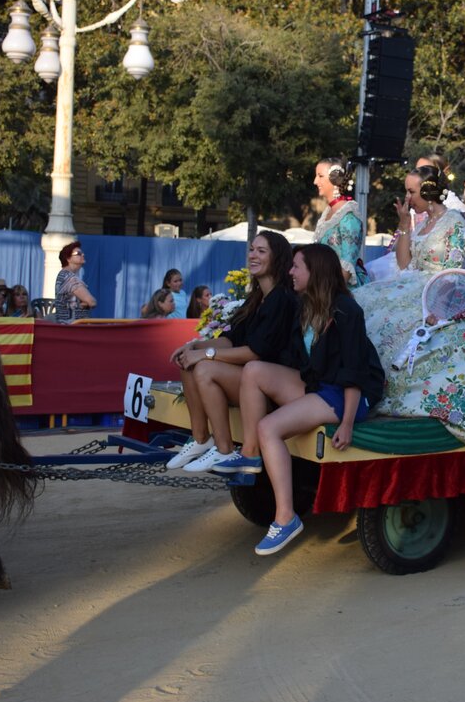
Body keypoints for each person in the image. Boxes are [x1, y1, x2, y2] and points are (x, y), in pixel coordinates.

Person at [222, 244, 385, 556]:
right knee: (254, 371)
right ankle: (251, 455)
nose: (290, 272)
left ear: (316, 271)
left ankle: (286, 518)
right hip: (318, 385)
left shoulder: (347, 311)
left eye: (296, 267)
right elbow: (291, 359)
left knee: (269, 427)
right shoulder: (305, 306)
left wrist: (347, 423)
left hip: (345, 395)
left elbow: (354, 372)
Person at [353, 167, 465, 451]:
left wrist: (438, 306)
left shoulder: (454, 222)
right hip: (415, 284)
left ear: (429, 191)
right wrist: (404, 224)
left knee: (395, 320)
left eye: (412, 191)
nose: (407, 197)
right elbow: (405, 263)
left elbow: (452, 273)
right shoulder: (423, 222)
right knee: (364, 301)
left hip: (444, 291)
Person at [165, 231, 298, 473]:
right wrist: (194, 347)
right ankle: (201, 439)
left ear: (277, 257)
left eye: (261, 251)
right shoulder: (257, 297)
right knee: (188, 361)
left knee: (204, 369)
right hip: (249, 379)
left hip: (269, 388)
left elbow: (255, 353)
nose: (253, 255)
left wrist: (205, 355)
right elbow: (231, 340)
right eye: (252, 249)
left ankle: (224, 449)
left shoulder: (282, 298)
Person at [312, 158, 369, 287]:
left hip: (342, 288)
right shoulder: (328, 212)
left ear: (335, 177)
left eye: (320, 176)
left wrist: (331, 293)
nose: (315, 181)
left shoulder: (349, 215)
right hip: (324, 285)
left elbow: (347, 264)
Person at [55, 241, 98, 323]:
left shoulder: (62, 274)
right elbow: (92, 302)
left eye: (82, 253)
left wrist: (82, 303)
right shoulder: (70, 278)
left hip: (67, 324)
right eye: (78, 253)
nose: (83, 255)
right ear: (68, 258)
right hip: (74, 326)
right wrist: (85, 303)